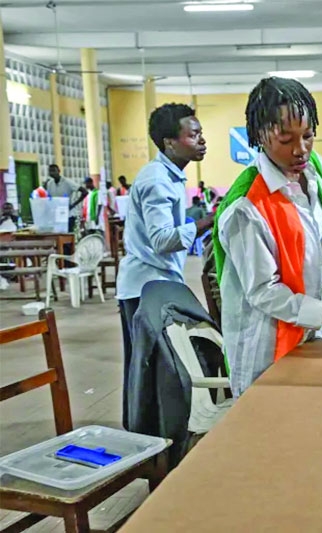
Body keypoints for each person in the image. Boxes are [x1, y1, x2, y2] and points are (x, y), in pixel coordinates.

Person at [214, 77, 322, 397]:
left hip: (313, 334)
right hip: (267, 346)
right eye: (286, 139)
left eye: (308, 135)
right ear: (260, 136)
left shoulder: (312, 169)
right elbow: (264, 292)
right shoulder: (246, 207)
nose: (301, 149)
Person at [116, 103, 215, 428]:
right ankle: (144, 437)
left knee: (158, 369)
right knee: (146, 370)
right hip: (144, 286)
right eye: (193, 135)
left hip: (160, 280)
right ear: (169, 142)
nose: (202, 140)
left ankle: (155, 433)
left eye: (200, 133)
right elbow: (162, 240)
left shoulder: (171, 176)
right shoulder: (156, 180)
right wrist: (208, 221)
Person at [44, 164, 87, 232]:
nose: (52, 173)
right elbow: (49, 198)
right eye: (50, 171)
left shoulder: (67, 182)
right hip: (57, 215)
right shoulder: (49, 184)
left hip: (68, 215)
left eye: (54, 171)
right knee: (59, 235)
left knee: (68, 235)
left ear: (59, 171)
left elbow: (85, 192)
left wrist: (73, 205)